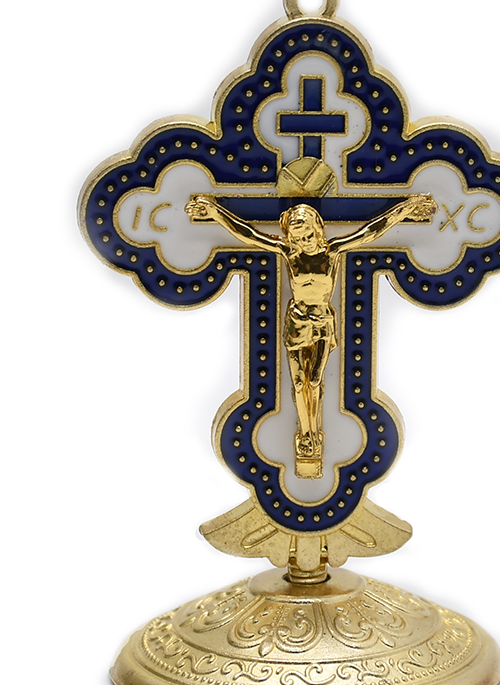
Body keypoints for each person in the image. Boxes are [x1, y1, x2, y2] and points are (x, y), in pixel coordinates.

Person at [186, 188, 436, 477]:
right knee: (297, 382)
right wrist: (215, 212)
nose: (303, 242)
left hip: (321, 322)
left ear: (318, 230)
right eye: (297, 238)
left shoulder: (332, 252)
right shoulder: (289, 254)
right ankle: (306, 433)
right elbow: (249, 235)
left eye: (307, 236)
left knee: (314, 379)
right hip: (296, 321)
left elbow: (370, 231)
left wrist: (405, 210)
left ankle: (313, 430)